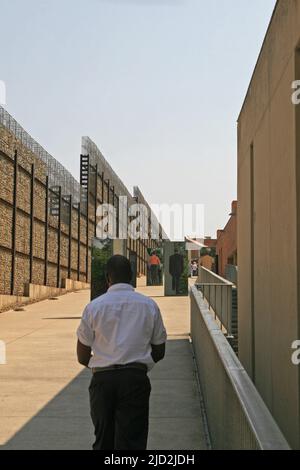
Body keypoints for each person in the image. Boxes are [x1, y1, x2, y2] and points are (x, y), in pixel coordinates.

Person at [76, 255, 167, 451]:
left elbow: (82, 355)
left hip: (103, 381)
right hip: (135, 379)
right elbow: (160, 349)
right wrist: (139, 364)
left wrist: (102, 362)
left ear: (108, 278)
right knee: (133, 442)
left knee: (103, 441)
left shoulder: (93, 307)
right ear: (132, 276)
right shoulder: (149, 306)